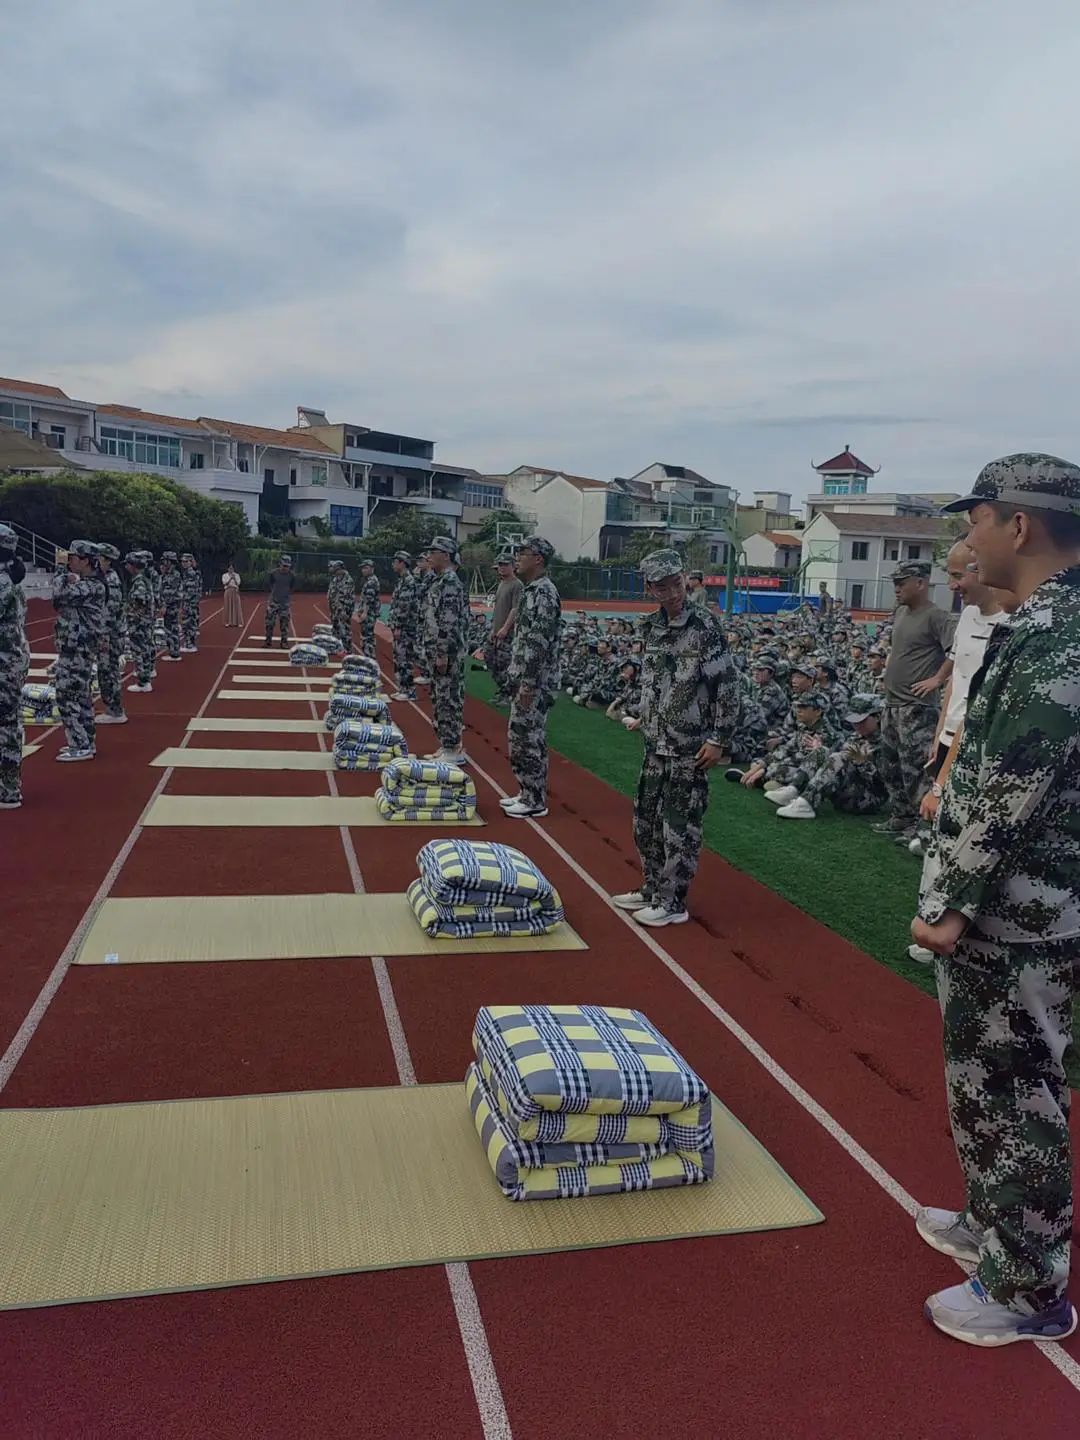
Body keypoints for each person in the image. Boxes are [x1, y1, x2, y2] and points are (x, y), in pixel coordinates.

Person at [910, 453, 1080, 1348]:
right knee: (986, 1083)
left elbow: (1018, 782)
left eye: (976, 517)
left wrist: (952, 902)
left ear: (1020, 525)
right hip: (1008, 905)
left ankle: (1028, 1290)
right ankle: (994, 1222)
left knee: (1016, 1092)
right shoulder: (1039, 624)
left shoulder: (1062, 634)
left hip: (1021, 912)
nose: (967, 537)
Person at [613, 548, 738, 927]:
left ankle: (672, 902)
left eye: (677, 584)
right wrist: (646, 716)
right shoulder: (652, 627)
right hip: (656, 742)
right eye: (662, 587)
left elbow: (726, 685)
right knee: (646, 821)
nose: (672, 593)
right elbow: (657, 681)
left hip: (689, 746)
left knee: (679, 826)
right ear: (649, 588)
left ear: (685, 579)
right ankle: (653, 888)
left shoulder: (704, 626)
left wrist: (719, 738)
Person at [874, 561, 955, 844]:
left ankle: (924, 828)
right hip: (892, 703)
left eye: (902, 583)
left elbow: (956, 651)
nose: (896, 589)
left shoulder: (937, 616)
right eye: (895, 583)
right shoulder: (901, 613)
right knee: (890, 765)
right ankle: (901, 816)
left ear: (920, 583)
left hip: (917, 707)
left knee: (917, 770)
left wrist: (938, 678)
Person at [500, 536, 561, 818]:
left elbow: (539, 642)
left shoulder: (545, 593)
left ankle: (534, 799)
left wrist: (528, 683)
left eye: (522, 553)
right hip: (527, 679)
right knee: (520, 736)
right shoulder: (532, 590)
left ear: (538, 559)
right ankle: (527, 790)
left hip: (535, 683)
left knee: (529, 738)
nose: (517, 557)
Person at [774, 693, 887, 820]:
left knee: (839, 757)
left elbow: (888, 784)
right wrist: (820, 750)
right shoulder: (857, 736)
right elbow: (836, 758)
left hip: (867, 799)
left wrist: (862, 763)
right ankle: (793, 789)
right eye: (854, 721)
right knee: (822, 751)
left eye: (862, 721)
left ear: (877, 717)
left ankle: (806, 803)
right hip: (848, 789)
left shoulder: (888, 742)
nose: (857, 726)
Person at [52, 539, 106, 762]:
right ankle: (85, 742)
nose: (69, 562)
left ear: (85, 561)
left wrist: (60, 571)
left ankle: (80, 744)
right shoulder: (88, 584)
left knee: (66, 694)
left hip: (77, 648)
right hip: (76, 646)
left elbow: (58, 595)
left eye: (72, 558)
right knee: (81, 695)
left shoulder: (91, 586)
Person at [421, 536, 467, 764]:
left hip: (447, 653)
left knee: (448, 698)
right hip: (438, 651)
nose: (429, 555)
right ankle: (446, 744)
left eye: (434, 551)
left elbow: (447, 621)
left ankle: (452, 747)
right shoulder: (440, 580)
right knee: (440, 697)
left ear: (446, 555)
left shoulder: (449, 582)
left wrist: (441, 653)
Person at [0, 523, 28, 809]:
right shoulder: (9, 578)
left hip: (4, 666)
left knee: (6, 727)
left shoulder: (3, 583)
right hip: (10, 663)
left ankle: (8, 790)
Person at [484, 553, 524, 706]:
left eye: (505, 564)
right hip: (496, 631)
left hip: (508, 633)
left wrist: (505, 628)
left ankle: (509, 694)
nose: (502, 567)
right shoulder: (502, 584)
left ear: (513, 566)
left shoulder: (517, 585)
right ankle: (503, 691)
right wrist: (493, 629)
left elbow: (515, 609)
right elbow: (498, 609)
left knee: (505, 665)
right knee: (491, 661)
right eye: (500, 564)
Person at [95, 543, 127, 725]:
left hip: (108, 636)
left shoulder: (110, 581)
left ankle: (115, 711)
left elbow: (108, 614)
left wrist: (101, 636)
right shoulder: (107, 578)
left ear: (107, 560)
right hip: (109, 634)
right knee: (107, 672)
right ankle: (113, 709)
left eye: (98, 558)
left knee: (108, 673)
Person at [388, 550, 419, 701]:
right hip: (401, 626)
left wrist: (398, 626)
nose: (393, 564)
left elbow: (404, 606)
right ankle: (403, 688)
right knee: (399, 658)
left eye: (395, 562)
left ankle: (409, 691)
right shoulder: (402, 580)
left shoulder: (408, 581)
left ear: (402, 563)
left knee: (404, 658)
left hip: (406, 627)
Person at [125, 552, 156, 693]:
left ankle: (143, 682)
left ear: (133, 565)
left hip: (139, 623)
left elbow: (140, 601)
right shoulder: (143, 579)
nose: (126, 567)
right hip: (143, 622)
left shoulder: (139, 581)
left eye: (128, 564)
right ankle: (145, 679)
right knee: (144, 650)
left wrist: (131, 614)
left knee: (139, 651)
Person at [264, 554, 295, 648]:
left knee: (284, 624)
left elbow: (292, 587)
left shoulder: (292, 576)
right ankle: (268, 640)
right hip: (273, 602)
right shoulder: (273, 573)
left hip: (284, 603)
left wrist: (286, 596)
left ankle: (284, 642)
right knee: (269, 623)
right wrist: (274, 594)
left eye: (287, 566)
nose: (285, 568)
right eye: (284, 566)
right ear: (280, 564)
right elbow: (270, 584)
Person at [327, 559, 355, 653]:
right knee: (335, 628)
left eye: (336, 570)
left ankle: (348, 649)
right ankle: (336, 647)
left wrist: (342, 610)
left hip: (344, 608)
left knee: (345, 629)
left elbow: (344, 596)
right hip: (335, 608)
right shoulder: (336, 578)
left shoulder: (348, 580)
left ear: (341, 569)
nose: (335, 572)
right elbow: (333, 592)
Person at [159, 552, 183, 662]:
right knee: (170, 628)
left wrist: (164, 605)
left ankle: (174, 653)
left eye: (165, 560)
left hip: (171, 606)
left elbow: (171, 593)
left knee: (171, 629)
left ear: (170, 561)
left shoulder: (174, 575)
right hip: (170, 605)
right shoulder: (168, 574)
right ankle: (173, 651)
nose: (163, 562)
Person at [356, 559, 381, 658]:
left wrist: (364, 613)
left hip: (369, 614)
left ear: (372, 569)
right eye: (363, 568)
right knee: (367, 636)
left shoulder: (371, 582)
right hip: (369, 613)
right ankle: (369, 656)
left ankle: (369, 658)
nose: (363, 570)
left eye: (366, 568)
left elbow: (369, 600)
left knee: (367, 637)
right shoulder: (370, 580)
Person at [180, 552, 202, 653]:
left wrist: (184, 600)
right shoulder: (187, 573)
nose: (183, 563)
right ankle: (189, 643)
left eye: (186, 561)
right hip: (189, 602)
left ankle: (190, 644)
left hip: (189, 603)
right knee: (188, 624)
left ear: (190, 562)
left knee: (188, 624)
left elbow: (191, 591)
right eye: (182, 561)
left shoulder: (191, 573)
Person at [222, 562, 242, 627]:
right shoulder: (224, 575)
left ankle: (238, 622)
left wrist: (234, 578)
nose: (231, 570)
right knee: (227, 606)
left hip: (235, 590)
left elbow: (238, 583)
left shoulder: (237, 575)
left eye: (232, 568)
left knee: (236, 606)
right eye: (230, 568)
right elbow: (225, 583)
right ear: (227, 569)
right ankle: (227, 622)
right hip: (228, 590)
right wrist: (230, 578)